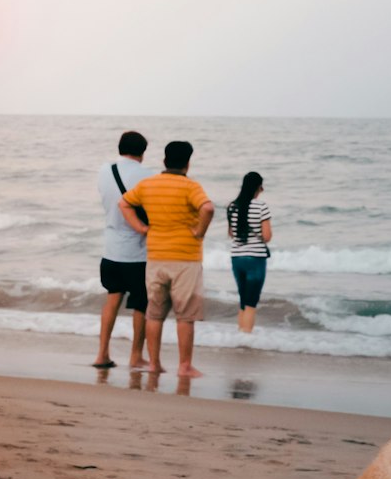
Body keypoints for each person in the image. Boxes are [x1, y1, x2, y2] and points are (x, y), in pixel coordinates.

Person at [118, 140, 214, 379]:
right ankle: (184, 365)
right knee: (185, 315)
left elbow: (124, 203)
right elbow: (208, 209)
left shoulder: (148, 184)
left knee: (154, 313)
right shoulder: (190, 186)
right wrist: (200, 232)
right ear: (188, 163)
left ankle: (154, 364)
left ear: (164, 161)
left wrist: (141, 227)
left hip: (156, 257)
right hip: (185, 259)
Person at [94, 130, 155, 369]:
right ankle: (136, 356)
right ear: (142, 152)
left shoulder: (104, 170)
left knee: (112, 299)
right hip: (137, 252)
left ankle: (102, 354)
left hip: (110, 249)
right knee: (141, 304)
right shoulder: (146, 176)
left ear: (120, 147)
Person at [227, 172, 272, 333]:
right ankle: (246, 339)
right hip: (256, 258)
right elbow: (267, 237)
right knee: (251, 302)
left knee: (243, 299)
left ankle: (241, 334)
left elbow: (231, 234)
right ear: (258, 187)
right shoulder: (261, 206)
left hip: (237, 258)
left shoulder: (232, 206)